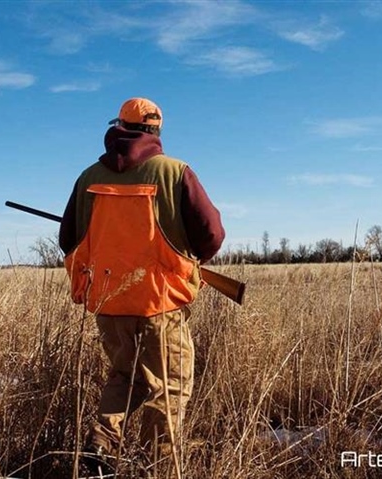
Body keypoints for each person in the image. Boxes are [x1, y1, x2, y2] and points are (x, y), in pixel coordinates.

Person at [58, 97, 225, 476]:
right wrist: (186, 261)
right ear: (156, 131)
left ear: (119, 127)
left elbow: (68, 238)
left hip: (108, 304)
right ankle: (159, 467)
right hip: (159, 304)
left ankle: (100, 446)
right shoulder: (174, 172)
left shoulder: (87, 178)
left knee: (126, 377)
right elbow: (212, 234)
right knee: (169, 387)